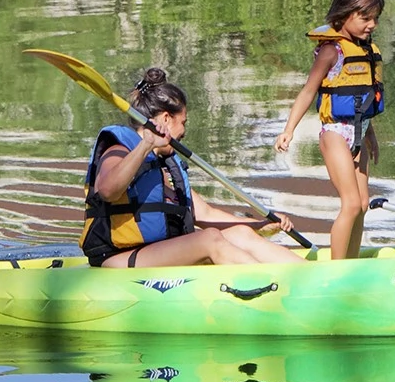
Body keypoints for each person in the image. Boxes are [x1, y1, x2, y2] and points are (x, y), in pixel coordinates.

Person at [83, 66, 299, 269]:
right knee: (209, 238)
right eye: (183, 122)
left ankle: (306, 274)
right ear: (166, 119)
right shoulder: (119, 149)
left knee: (241, 234)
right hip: (118, 258)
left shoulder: (164, 167)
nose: (184, 132)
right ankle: (275, 286)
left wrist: (259, 225)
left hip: (156, 252)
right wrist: (146, 144)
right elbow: (108, 190)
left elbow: (206, 214)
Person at [276, 0, 386, 261]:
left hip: (359, 131)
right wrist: (289, 130)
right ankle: (336, 269)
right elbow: (308, 91)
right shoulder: (331, 50)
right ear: (345, 13)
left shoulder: (364, 50)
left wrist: (370, 134)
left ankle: (352, 260)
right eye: (365, 18)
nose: (372, 24)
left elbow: (362, 98)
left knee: (362, 204)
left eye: (375, 18)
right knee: (350, 203)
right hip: (335, 133)